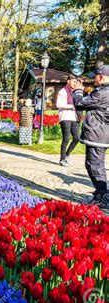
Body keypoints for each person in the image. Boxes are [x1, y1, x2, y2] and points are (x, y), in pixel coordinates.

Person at [73, 64, 109, 209]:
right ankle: (101, 194)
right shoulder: (104, 91)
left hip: (97, 135)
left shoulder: (102, 93)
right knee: (94, 164)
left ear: (101, 77)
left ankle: (102, 196)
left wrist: (77, 90)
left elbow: (79, 103)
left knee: (94, 165)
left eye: (95, 76)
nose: (93, 78)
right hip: (101, 133)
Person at [56, 75, 79, 166]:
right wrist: (71, 106)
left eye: (76, 82)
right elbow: (58, 104)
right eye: (73, 81)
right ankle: (62, 159)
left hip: (74, 117)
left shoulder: (75, 92)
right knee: (66, 138)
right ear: (68, 81)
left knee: (77, 138)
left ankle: (67, 154)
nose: (75, 83)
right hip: (65, 117)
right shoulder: (63, 91)